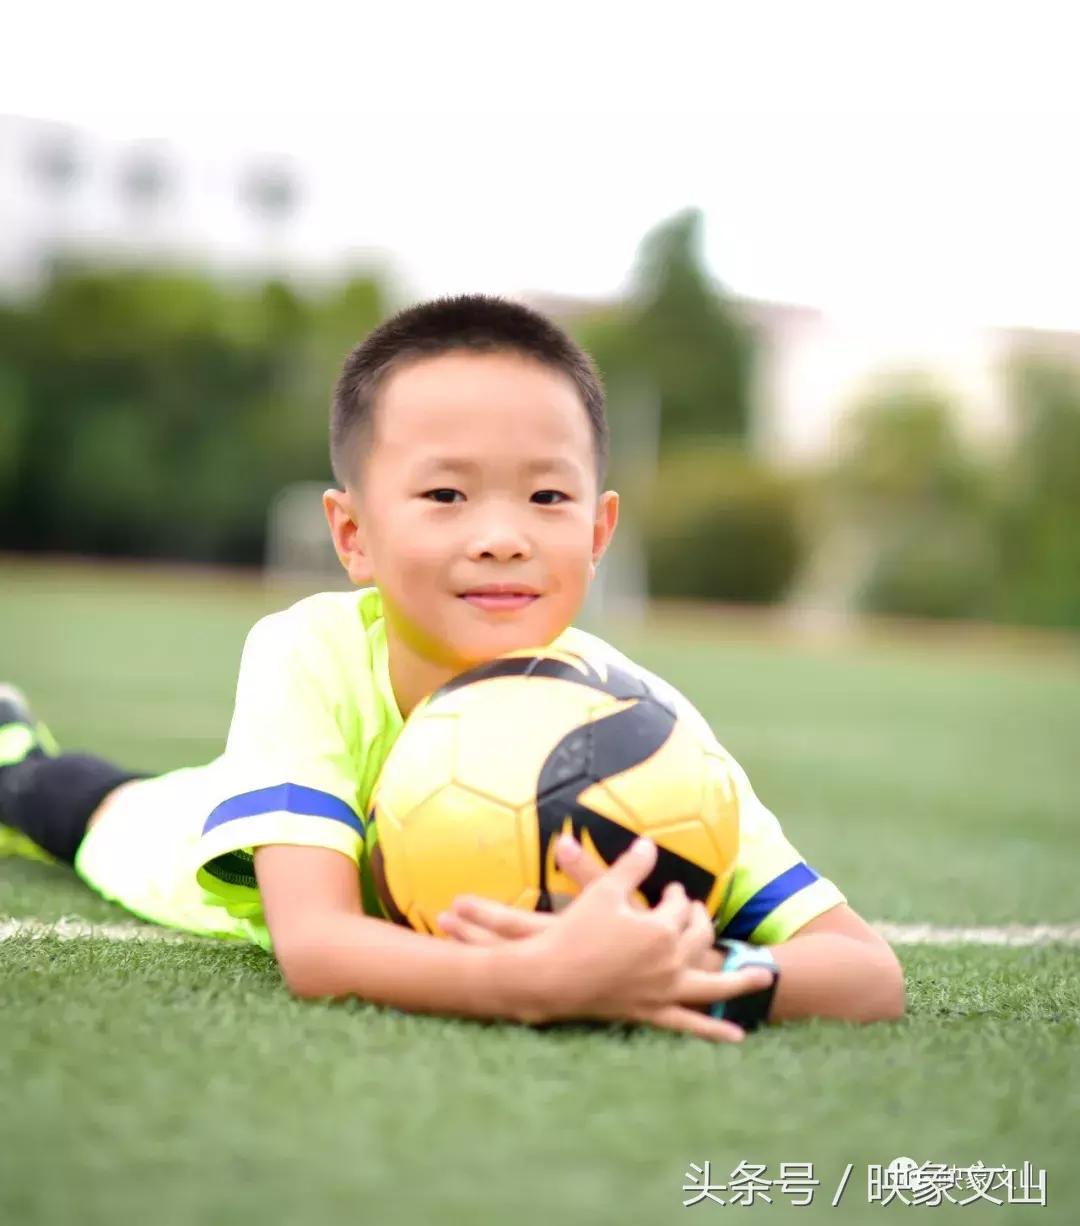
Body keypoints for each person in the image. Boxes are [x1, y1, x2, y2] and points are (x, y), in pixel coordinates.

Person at [0, 294, 904, 1042]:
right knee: (68, 801)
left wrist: (694, 971)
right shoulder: (306, 652)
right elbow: (317, 949)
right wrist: (536, 980)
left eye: (548, 496)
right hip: (168, 831)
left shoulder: (643, 732)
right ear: (353, 534)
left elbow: (866, 972)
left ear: (598, 533)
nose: (503, 538)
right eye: (445, 495)